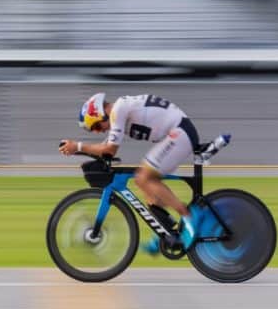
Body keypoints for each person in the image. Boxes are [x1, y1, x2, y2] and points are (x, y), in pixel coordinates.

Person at [58, 92, 202, 254]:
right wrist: (77, 151)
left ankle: (189, 215)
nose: (98, 132)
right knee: (146, 184)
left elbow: (110, 150)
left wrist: (77, 146)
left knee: (144, 177)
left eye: (97, 126)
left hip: (180, 133)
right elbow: (103, 149)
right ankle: (167, 233)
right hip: (177, 133)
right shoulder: (118, 113)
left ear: (100, 113)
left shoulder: (118, 110)